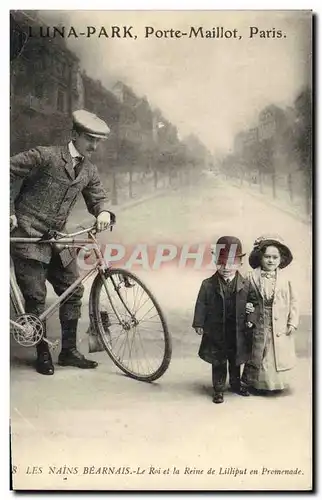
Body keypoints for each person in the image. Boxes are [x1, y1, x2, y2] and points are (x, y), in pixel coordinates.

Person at [10, 109, 114, 376]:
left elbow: (97, 196)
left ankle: (68, 351)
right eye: (89, 139)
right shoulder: (45, 156)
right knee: (36, 297)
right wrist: (7, 210)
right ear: (74, 135)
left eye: (97, 141)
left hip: (57, 238)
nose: (93, 146)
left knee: (73, 289)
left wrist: (102, 211)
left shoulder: (89, 170)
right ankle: (42, 352)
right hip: (27, 235)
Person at [192, 236, 257, 404]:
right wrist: (199, 323)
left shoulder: (247, 284)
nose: (226, 267)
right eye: (221, 262)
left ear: (240, 264)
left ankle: (235, 384)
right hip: (216, 331)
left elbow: (254, 303)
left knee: (236, 361)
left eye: (231, 262)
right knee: (218, 361)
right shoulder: (208, 284)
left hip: (237, 331)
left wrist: (251, 318)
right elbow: (201, 304)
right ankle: (219, 389)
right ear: (215, 261)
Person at [241, 235, 299, 393]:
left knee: (275, 351)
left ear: (281, 259)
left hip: (279, 322)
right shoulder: (251, 276)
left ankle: (276, 384)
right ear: (260, 258)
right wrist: (247, 307)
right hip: (259, 320)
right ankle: (255, 383)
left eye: (275, 257)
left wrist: (292, 322)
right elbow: (244, 297)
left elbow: (294, 302)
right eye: (267, 257)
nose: (271, 261)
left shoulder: (286, 280)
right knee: (259, 350)